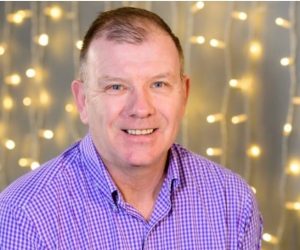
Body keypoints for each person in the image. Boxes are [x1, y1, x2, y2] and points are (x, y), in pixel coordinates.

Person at [0, 7, 262, 249]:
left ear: (184, 95)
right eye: (116, 86)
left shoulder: (233, 201)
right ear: (83, 101)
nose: (141, 108)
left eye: (159, 84)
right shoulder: (23, 216)